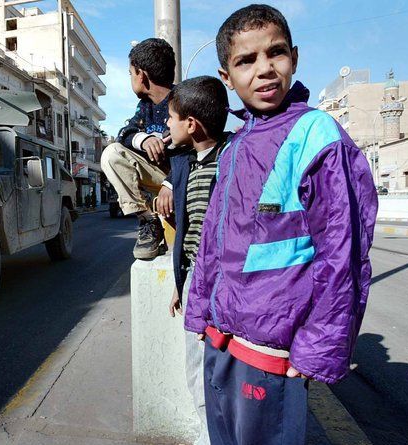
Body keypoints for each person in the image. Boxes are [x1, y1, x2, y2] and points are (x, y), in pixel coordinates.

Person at [183, 5, 378, 445]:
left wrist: (317, 347)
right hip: (221, 341)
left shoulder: (316, 134)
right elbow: (212, 242)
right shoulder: (234, 148)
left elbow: (342, 253)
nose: (265, 69)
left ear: (295, 56)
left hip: (272, 352)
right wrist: (199, 313)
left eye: (276, 53)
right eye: (246, 61)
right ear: (226, 76)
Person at [158, 76, 231, 445]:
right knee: (196, 372)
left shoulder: (234, 156)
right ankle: (209, 436)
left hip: (225, 286)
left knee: (220, 374)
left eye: (171, 118)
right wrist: (179, 283)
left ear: (192, 124)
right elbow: (187, 235)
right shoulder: (186, 164)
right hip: (193, 284)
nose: (167, 125)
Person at [100, 38, 175, 259]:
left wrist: (171, 183)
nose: (131, 79)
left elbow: (192, 152)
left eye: (131, 73)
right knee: (111, 153)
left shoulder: (182, 101)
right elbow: (125, 133)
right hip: (157, 175)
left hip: (182, 177)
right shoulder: (145, 106)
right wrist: (143, 139)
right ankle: (147, 221)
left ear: (141, 75)